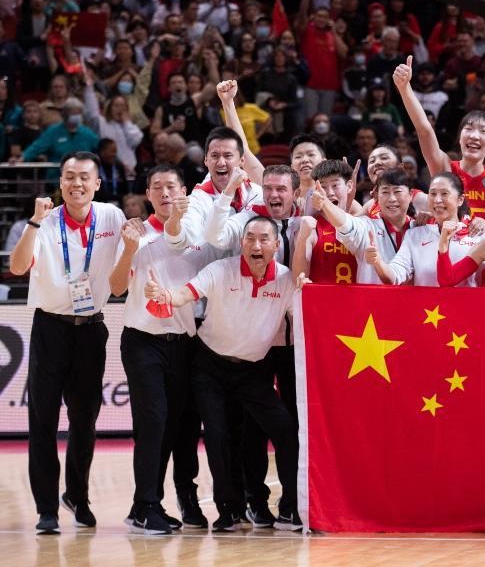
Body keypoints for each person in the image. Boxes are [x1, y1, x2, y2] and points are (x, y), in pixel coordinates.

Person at [143, 216, 306, 532]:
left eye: (263, 239)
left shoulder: (286, 280)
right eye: (250, 238)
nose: (256, 245)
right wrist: (166, 296)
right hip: (210, 368)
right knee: (217, 436)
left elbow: (303, 320)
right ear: (241, 242)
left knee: (286, 430)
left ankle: (292, 507)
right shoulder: (220, 270)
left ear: (276, 245)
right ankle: (228, 510)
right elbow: (186, 293)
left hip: (254, 372)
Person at [8, 152, 127, 534]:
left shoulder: (111, 217)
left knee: (85, 421)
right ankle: (46, 509)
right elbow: (17, 267)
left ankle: (77, 495)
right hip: (50, 327)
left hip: (91, 329)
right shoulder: (44, 221)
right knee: (42, 420)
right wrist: (33, 222)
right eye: (69, 177)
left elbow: (124, 273)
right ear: (60, 183)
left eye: (84, 177)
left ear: (97, 183)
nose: (77, 183)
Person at [107, 165, 221, 534]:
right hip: (143, 341)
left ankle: (152, 504)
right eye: (157, 187)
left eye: (171, 186)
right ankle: (145, 505)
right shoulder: (135, 234)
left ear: (184, 191)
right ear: (148, 194)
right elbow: (116, 287)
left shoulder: (198, 236)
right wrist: (128, 249)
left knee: (177, 426)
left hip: (185, 343)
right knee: (153, 420)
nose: (165, 192)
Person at [394, 55, 485, 230]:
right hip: (446, 246)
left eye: (483, 131)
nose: (474, 136)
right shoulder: (445, 168)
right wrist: (405, 89)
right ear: (460, 137)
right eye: (469, 129)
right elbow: (424, 129)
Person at [367, 172, 485, 287]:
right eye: (432, 194)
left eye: (444, 194)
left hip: (467, 305)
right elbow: (394, 277)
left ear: (460, 200)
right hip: (424, 305)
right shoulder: (415, 235)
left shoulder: (480, 235)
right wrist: (378, 262)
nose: (437, 200)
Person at [165, 127, 263, 252]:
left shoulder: (255, 192)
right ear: (206, 160)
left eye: (228, 156)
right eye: (215, 156)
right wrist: (174, 219)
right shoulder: (198, 198)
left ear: (241, 160)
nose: (221, 162)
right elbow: (179, 241)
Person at [318, 167, 417, 284]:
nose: (392, 199)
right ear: (376, 196)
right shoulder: (366, 226)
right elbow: (345, 223)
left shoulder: (420, 229)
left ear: (411, 195)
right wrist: (325, 203)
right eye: (385, 192)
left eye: (397, 192)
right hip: (372, 296)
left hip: (417, 297)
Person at [291, 160, 361, 285]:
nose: (329, 193)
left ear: (349, 186)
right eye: (323, 187)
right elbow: (298, 278)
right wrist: (302, 238)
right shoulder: (311, 227)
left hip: (357, 297)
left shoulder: (361, 225)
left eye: (335, 185)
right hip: (320, 298)